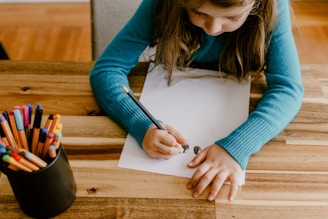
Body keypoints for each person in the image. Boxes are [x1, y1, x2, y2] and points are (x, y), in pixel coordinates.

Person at [90, 0, 304, 202]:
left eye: (232, 17)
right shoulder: (162, 3)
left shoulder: (274, 5)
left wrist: (236, 147)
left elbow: (288, 89)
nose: (213, 28)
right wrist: (141, 125)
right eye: (199, 12)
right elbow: (107, 70)